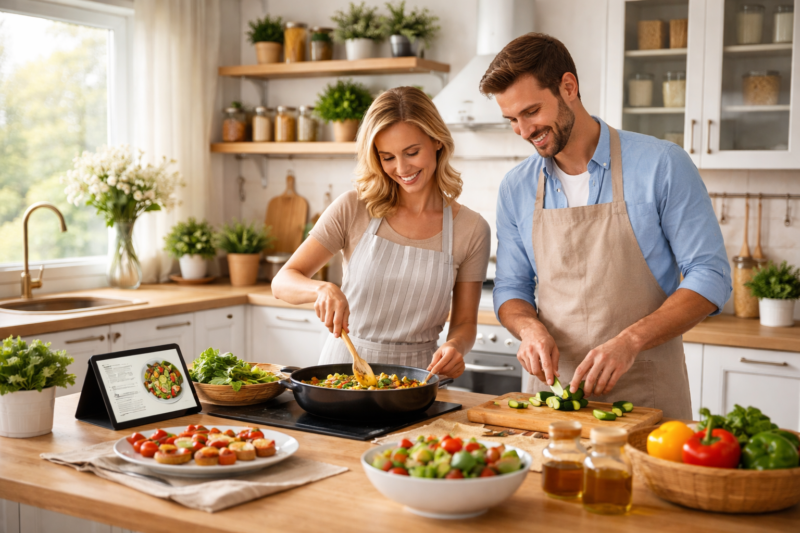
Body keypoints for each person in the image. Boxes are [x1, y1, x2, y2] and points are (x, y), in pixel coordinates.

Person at [479, 34, 731, 419]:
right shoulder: (517, 187)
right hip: (554, 397)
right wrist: (529, 329)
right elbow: (512, 288)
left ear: (568, 87)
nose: (524, 130)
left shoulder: (661, 164)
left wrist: (630, 341)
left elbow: (710, 277)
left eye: (531, 111)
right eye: (511, 119)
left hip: (647, 393)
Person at [271, 86, 491, 379]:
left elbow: (465, 323)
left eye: (412, 152)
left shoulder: (472, 229)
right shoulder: (354, 207)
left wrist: (455, 347)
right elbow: (282, 282)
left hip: (418, 379)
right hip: (344, 374)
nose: (402, 168)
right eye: (387, 157)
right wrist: (321, 289)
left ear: (437, 141)